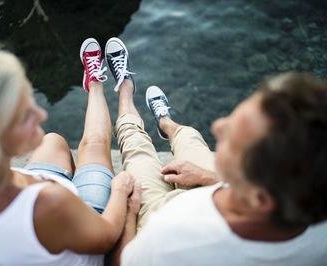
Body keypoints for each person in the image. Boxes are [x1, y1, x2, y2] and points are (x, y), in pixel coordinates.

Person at [103, 38, 327, 265]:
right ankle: (165, 122)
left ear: (260, 198)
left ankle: (125, 90)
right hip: (215, 186)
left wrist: (130, 213)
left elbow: (122, 262)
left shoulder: (169, 240)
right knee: (188, 136)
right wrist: (210, 178)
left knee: (135, 147)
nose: (217, 126)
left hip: (158, 214)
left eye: (232, 139)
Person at [0, 41, 141, 266]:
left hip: (27, 234)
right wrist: (120, 191)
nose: (40, 115)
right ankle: (102, 86)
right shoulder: (49, 204)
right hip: (78, 233)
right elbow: (106, 238)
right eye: (24, 115)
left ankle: (93, 81)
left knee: (53, 141)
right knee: (94, 143)